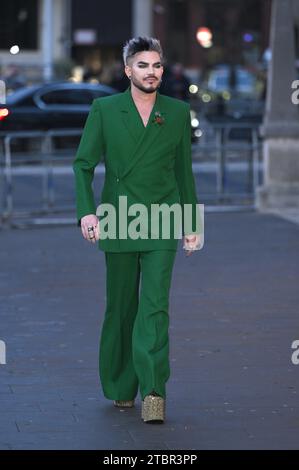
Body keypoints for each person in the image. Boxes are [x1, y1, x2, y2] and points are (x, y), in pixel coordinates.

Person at [73, 36, 202, 424]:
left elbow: (184, 173)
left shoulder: (177, 112)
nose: (152, 72)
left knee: (155, 307)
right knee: (122, 307)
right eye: (143, 65)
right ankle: (119, 385)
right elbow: (83, 164)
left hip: (162, 221)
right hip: (118, 218)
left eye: (157, 65)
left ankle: (154, 391)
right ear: (128, 70)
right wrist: (87, 213)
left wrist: (191, 225)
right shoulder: (105, 109)